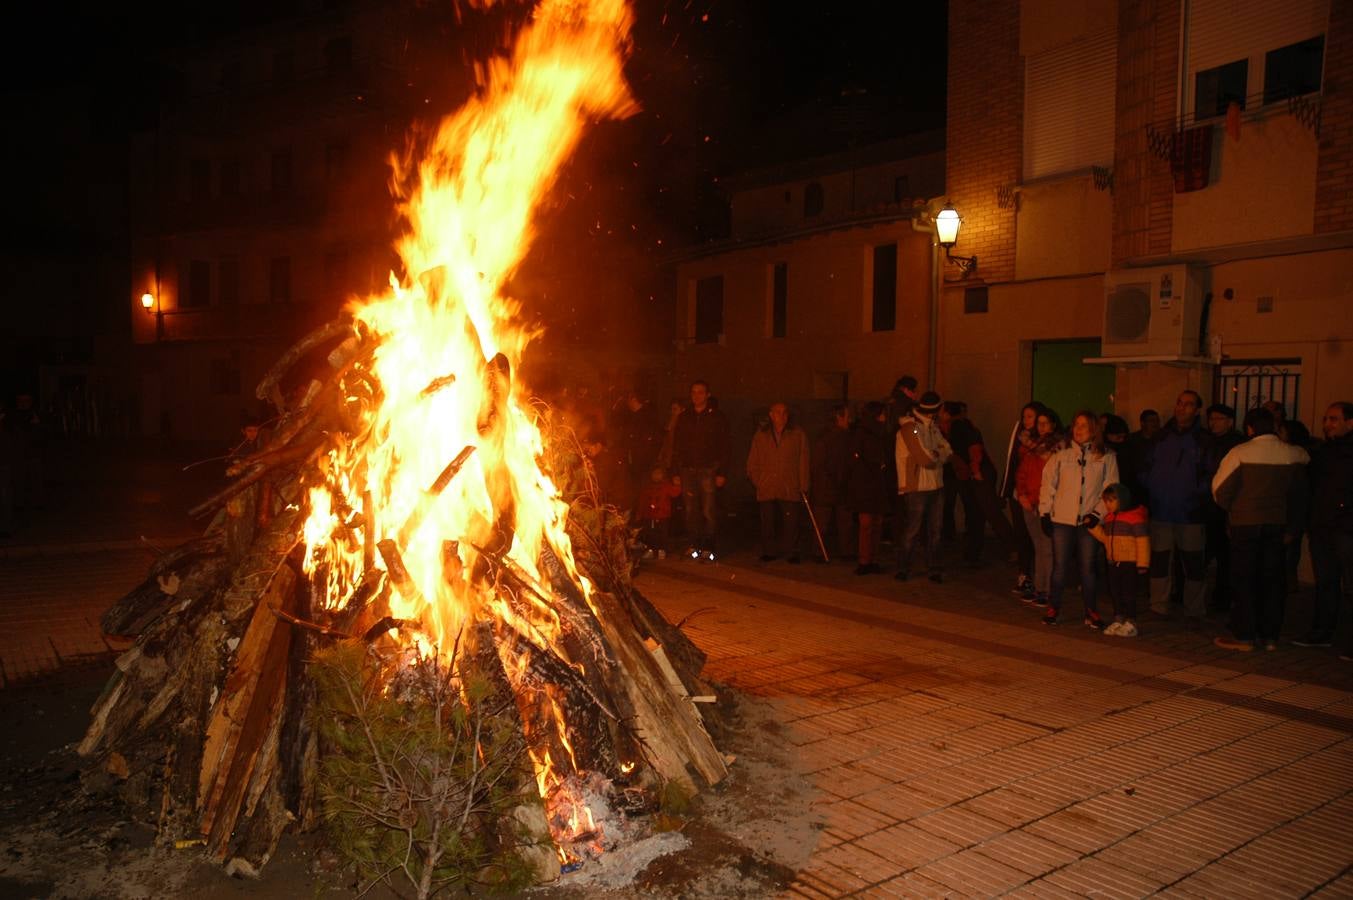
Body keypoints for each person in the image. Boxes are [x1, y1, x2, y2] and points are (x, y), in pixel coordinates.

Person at [1212, 407, 1310, 652]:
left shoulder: (1240, 453)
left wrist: (1236, 509)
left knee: (1244, 580)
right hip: (1277, 524)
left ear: (1249, 428)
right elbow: (1301, 492)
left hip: (1245, 525)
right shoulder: (1293, 454)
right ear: (1275, 427)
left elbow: (1220, 491)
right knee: (1272, 580)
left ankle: (1244, 635)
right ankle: (1270, 637)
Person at [1038, 410, 1119, 628]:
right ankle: (1054, 607)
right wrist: (1045, 512)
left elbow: (1110, 488)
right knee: (1060, 566)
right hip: (1062, 520)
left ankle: (1091, 611)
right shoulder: (1062, 455)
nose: (1078, 430)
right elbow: (1048, 484)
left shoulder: (1106, 457)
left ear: (1093, 429)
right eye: (1076, 425)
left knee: (1088, 567)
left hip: (1088, 522)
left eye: (1083, 426)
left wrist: (1097, 514)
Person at [1142, 390, 1214, 624]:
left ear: (1197, 410)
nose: (1182, 408)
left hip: (1191, 513)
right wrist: (1153, 488)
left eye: (1188, 404)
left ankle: (1194, 609)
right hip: (1162, 511)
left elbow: (1212, 475)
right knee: (1160, 561)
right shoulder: (1160, 436)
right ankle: (1158, 605)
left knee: (1194, 564)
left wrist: (1196, 494)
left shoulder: (1204, 439)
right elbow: (1144, 467)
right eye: (1179, 403)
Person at [1296, 402, 1353, 655]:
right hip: (1321, 527)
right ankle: (1321, 632)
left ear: (1349, 423)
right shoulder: (1324, 451)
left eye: (1334, 419)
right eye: (1326, 419)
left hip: (1346, 528)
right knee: (1326, 583)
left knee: (1350, 586)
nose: (1327, 424)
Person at [940, 401, 1015, 568]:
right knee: (979, 512)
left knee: (988, 511)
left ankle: (1013, 547)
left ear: (947, 413)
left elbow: (973, 449)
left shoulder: (959, 427)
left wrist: (975, 470)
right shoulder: (960, 427)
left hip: (979, 473)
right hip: (977, 473)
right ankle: (974, 552)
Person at [894, 391, 952, 583]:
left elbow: (947, 450)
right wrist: (938, 455)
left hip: (935, 485)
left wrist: (937, 455)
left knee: (935, 530)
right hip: (917, 487)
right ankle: (903, 567)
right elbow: (925, 458)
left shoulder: (931, 427)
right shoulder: (910, 429)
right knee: (913, 529)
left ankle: (933, 568)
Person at [671, 381, 731, 562]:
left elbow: (725, 446)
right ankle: (694, 544)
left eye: (700, 392)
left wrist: (722, 472)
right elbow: (677, 445)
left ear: (707, 394)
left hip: (708, 469)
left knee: (708, 510)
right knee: (690, 510)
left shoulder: (717, 417)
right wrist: (676, 471)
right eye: (694, 392)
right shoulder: (685, 417)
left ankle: (709, 546)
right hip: (687, 469)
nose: (696, 395)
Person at [746, 402, 810, 563]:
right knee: (768, 522)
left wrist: (803, 484)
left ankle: (792, 552)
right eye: (777, 412)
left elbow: (803, 460)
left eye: (784, 413)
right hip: (767, 484)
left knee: (791, 522)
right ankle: (769, 551)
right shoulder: (761, 435)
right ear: (771, 415)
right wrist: (758, 481)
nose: (781, 416)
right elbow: (753, 461)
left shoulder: (797, 434)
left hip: (790, 484)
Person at [1016, 409, 1064, 607]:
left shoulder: (1059, 451)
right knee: (1039, 547)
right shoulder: (1031, 452)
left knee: (1046, 548)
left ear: (1053, 425)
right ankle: (1040, 587)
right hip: (1030, 503)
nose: (1042, 427)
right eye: (1039, 423)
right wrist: (1022, 496)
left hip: (1048, 505)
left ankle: (1047, 589)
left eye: (1046, 423)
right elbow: (1021, 475)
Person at [1090, 484, 1151, 637]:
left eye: (1112, 501)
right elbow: (1106, 539)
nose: (1108, 505)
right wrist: (1092, 527)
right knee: (1115, 592)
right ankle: (1118, 619)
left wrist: (1143, 563)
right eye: (1106, 501)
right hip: (1113, 562)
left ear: (1122, 500)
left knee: (1129, 593)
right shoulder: (1110, 518)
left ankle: (1131, 622)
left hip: (1129, 562)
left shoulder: (1134, 518)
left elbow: (1142, 541)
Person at [1203, 403, 1245, 612]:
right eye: (1211, 418)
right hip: (1206, 506)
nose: (1213, 423)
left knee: (1226, 557)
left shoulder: (1237, 445)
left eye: (1218, 419)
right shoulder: (1206, 441)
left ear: (1229, 422)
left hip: (1226, 507)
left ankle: (1224, 596)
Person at [1001, 402, 1044, 598]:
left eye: (1030, 417)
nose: (1026, 421)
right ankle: (1024, 575)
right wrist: (1007, 490)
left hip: (1037, 496)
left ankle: (1039, 579)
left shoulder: (1044, 441)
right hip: (1020, 494)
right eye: (1024, 416)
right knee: (1022, 535)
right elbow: (1012, 463)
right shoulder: (1019, 435)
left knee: (1037, 537)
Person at [846, 401, 891, 575]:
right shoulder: (862, 434)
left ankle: (873, 558)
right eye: (881, 414)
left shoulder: (880, 434)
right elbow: (856, 459)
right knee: (866, 524)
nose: (884, 417)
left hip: (877, 484)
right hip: (865, 485)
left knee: (877, 523)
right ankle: (864, 560)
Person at [810, 403, 855, 559]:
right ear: (839, 418)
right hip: (835, 486)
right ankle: (843, 551)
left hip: (829, 487)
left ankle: (820, 552)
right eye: (847, 417)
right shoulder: (844, 438)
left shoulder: (825, 437)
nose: (850, 420)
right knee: (841, 523)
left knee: (827, 523)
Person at [635, 467, 682, 559]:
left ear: (662, 475)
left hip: (663, 515)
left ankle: (662, 550)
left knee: (662, 534)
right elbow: (642, 501)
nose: (656, 476)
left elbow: (674, 493)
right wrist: (639, 514)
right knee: (651, 534)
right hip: (650, 515)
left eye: (659, 474)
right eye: (654, 474)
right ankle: (652, 550)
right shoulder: (647, 487)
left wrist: (677, 485)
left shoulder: (666, 485)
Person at [1118, 409, 1160, 504]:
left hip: (1156, 487)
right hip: (1136, 488)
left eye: (1157, 421)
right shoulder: (1131, 441)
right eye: (1151, 421)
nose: (1155, 424)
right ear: (1142, 423)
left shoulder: (1163, 441)